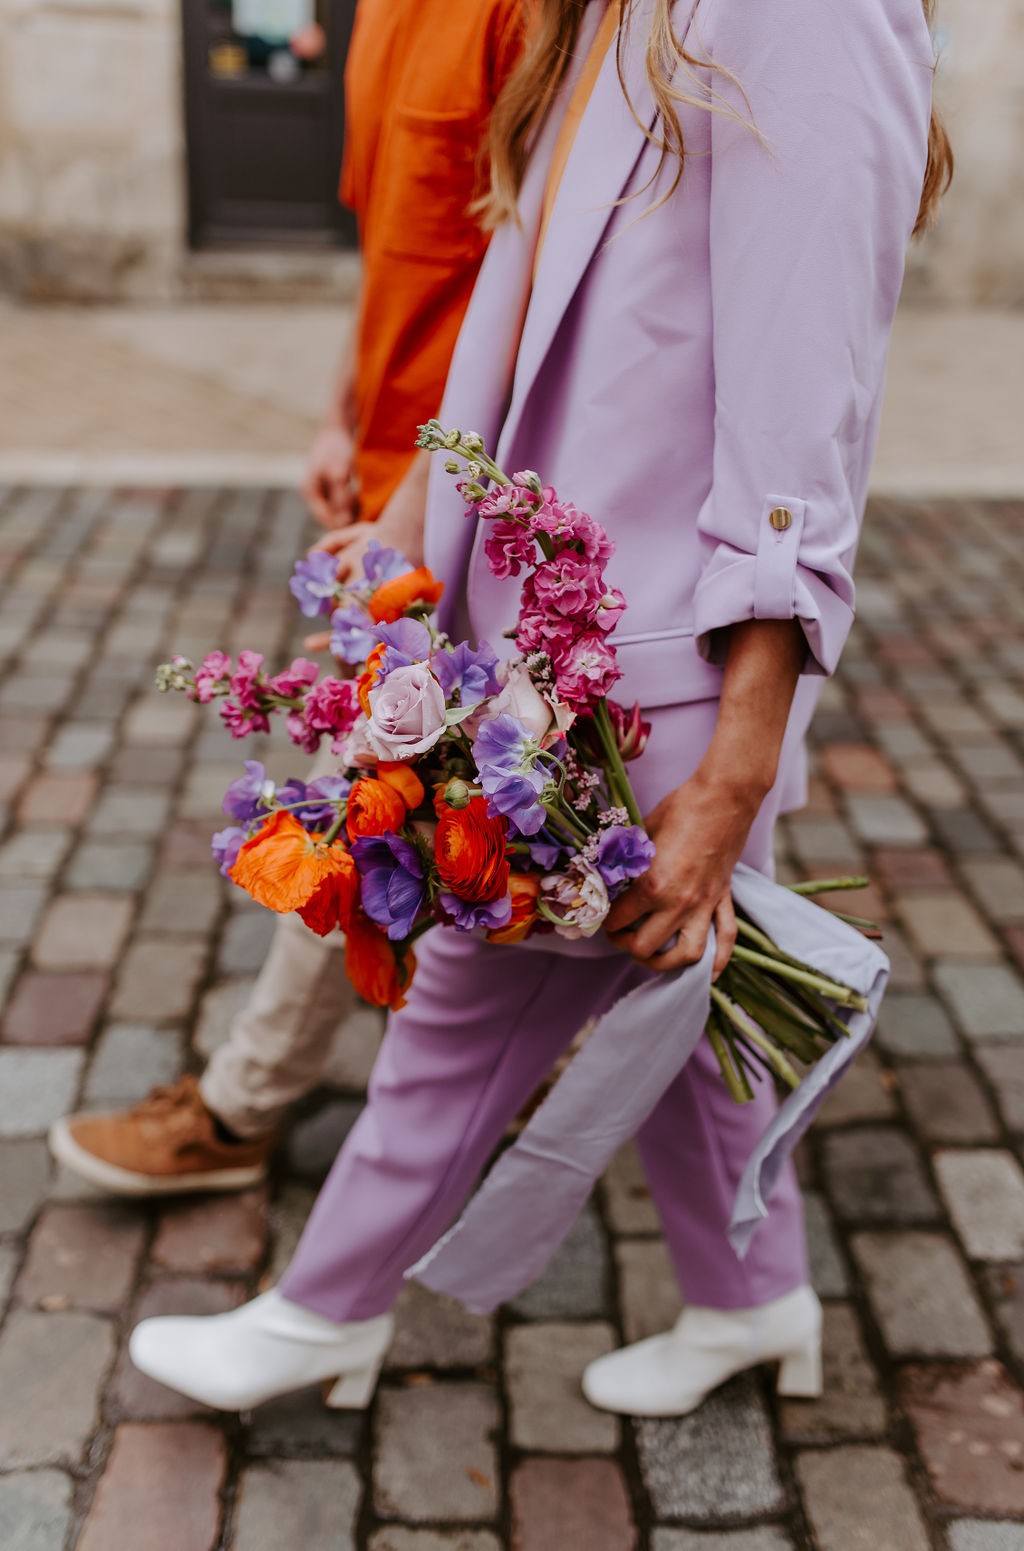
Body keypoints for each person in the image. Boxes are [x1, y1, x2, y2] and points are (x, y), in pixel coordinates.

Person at [129, 0, 950, 1418]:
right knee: (687, 1002)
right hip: (532, 627)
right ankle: (755, 1298)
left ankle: (323, 1309)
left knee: (464, 1008)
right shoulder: (611, 6)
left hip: (655, 668)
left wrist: (738, 766)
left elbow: (804, 416)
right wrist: (401, 541)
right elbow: (506, 349)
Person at [48, 0, 523, 1196]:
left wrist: (427, 497)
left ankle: (242, 1103)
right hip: (389, 480)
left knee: (375, 806)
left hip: (465, 501)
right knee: (406, 805)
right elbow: (394, 248)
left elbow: (537, 291)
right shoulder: (381, 15)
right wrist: (337, 407)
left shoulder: (532, 18)